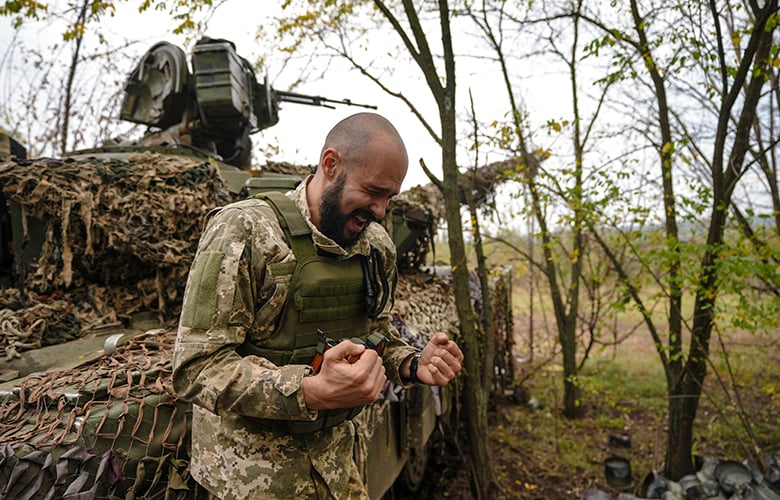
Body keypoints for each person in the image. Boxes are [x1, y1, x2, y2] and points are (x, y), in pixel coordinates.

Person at [172, 112, 464, 499]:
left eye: (389, 198)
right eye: (373, 191)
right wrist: (308, 391)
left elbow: (377, 335)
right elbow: (196, 368)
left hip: (338, 471)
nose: (379, 210)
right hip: (251, 482)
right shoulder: (245, 232)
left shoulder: (375, 247)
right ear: (331, 164)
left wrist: (412, 363)